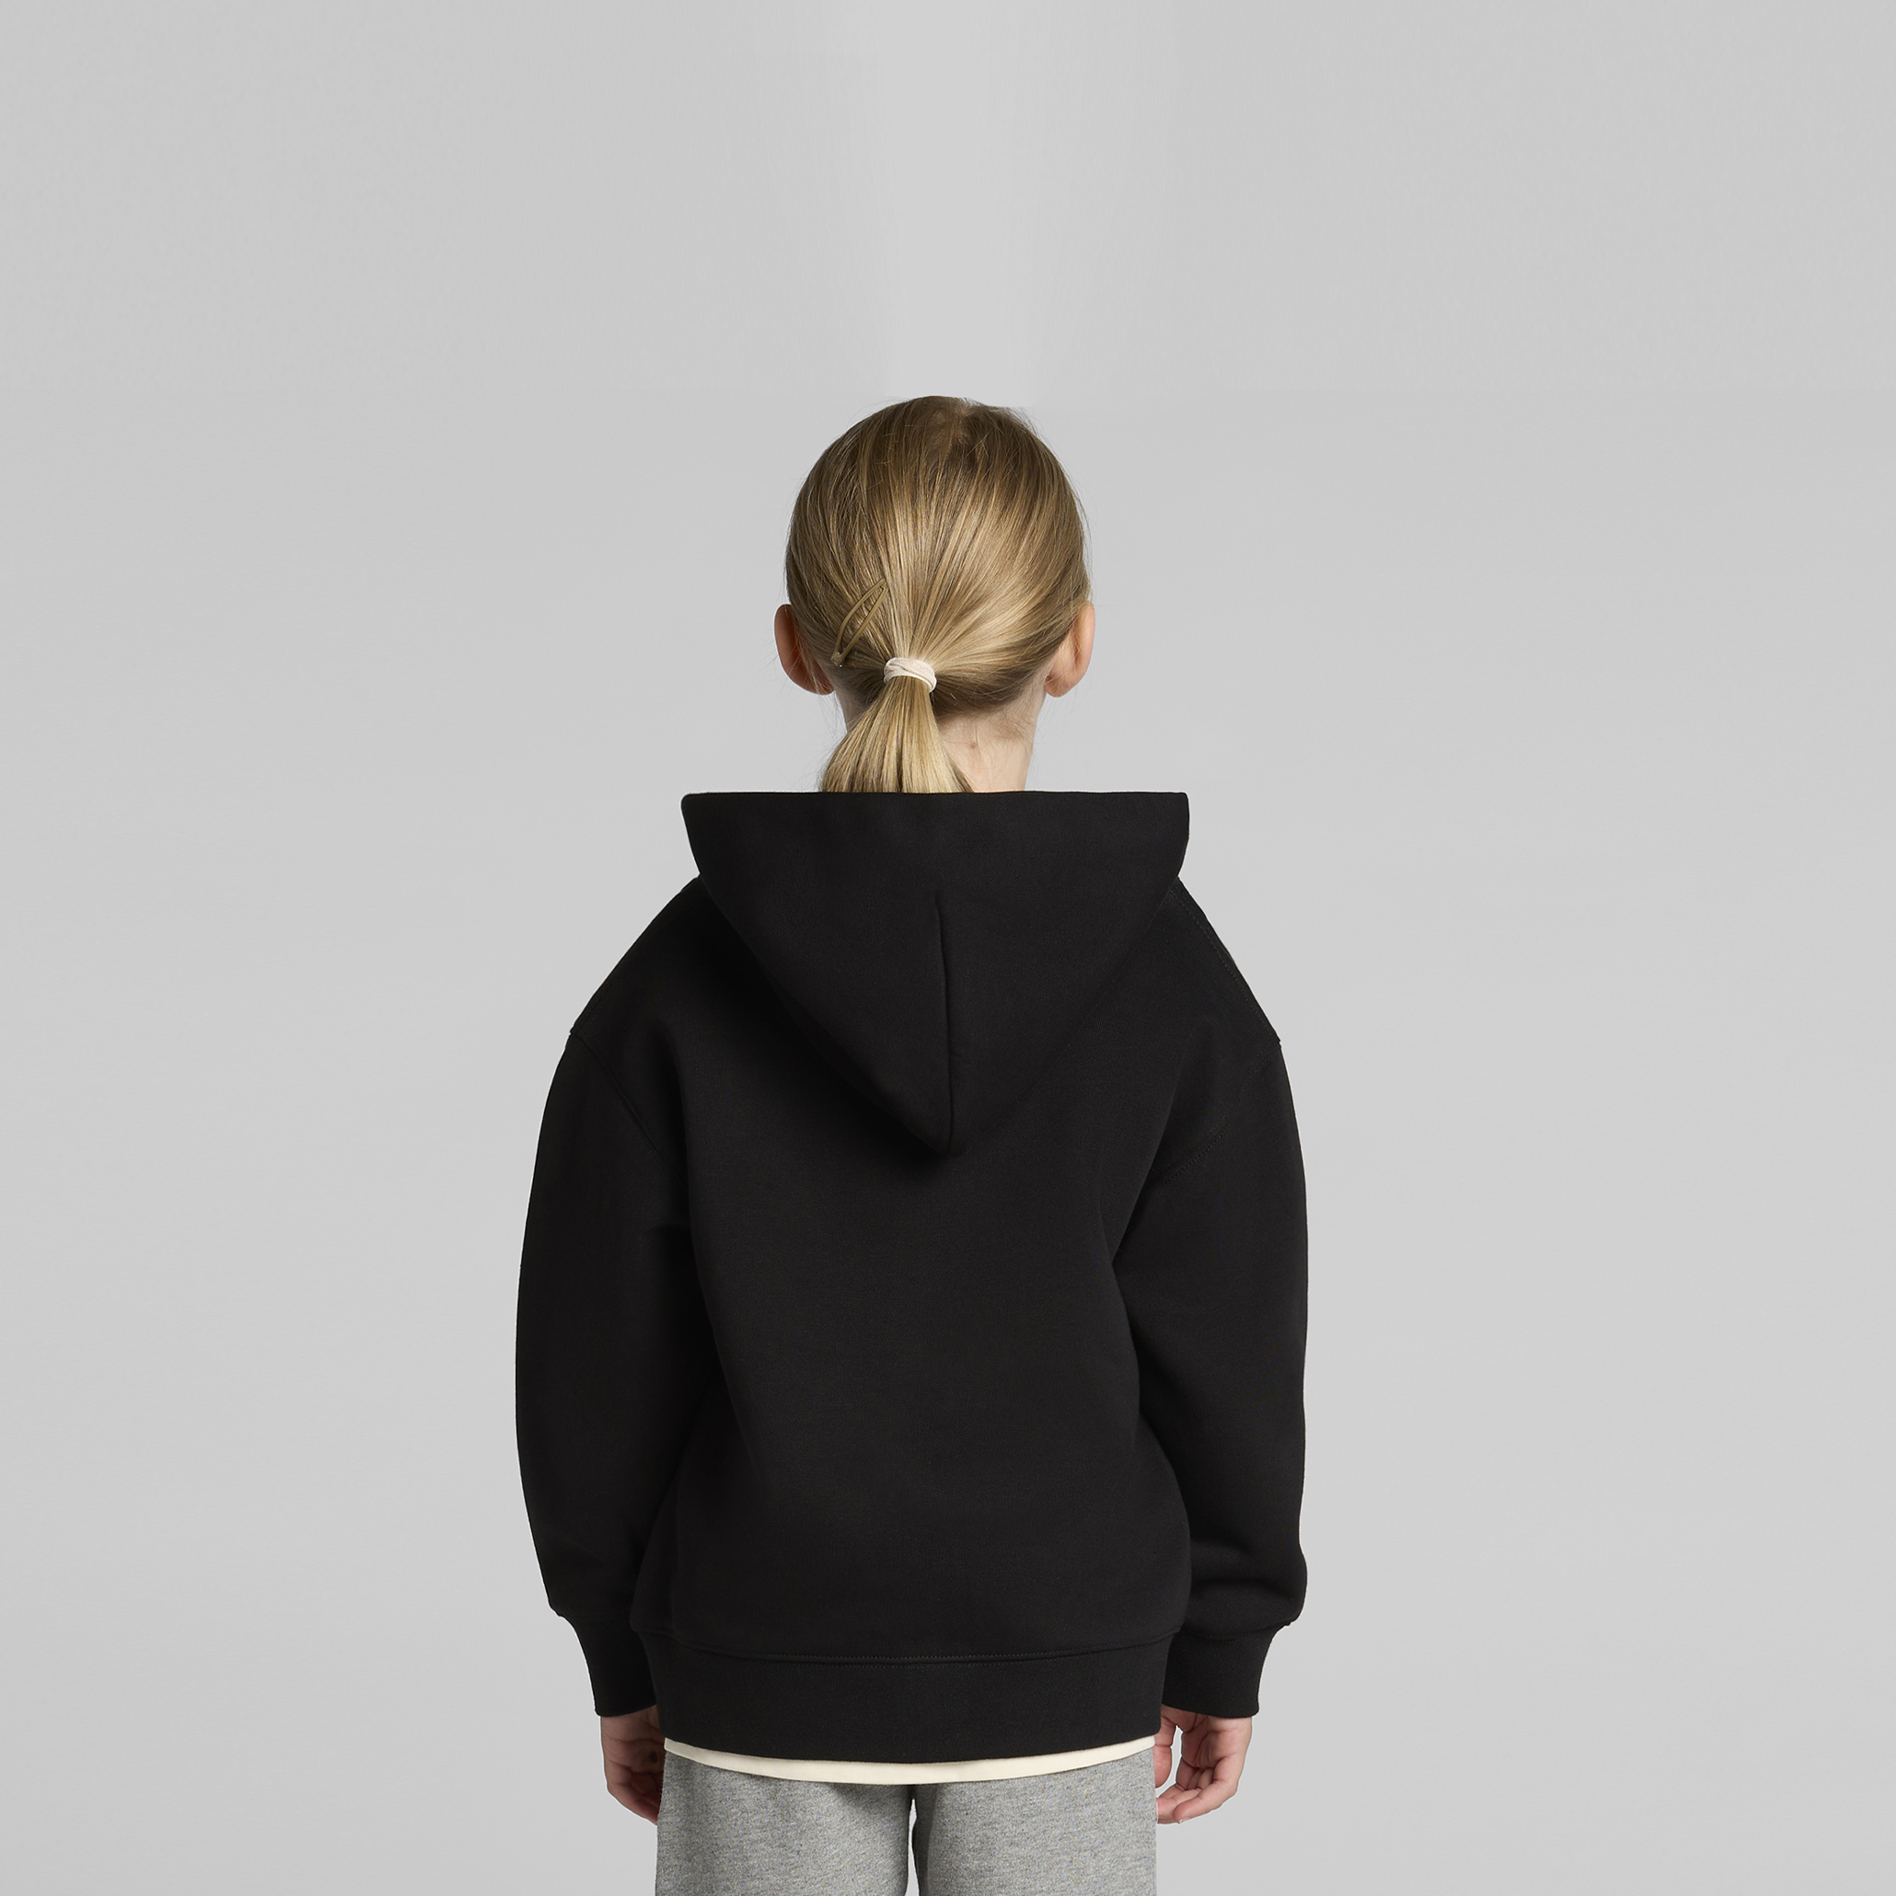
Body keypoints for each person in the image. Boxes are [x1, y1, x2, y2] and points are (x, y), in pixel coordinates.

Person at [515, 395, 1309, 1895]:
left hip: (758, 1655)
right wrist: (1225, 1636)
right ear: (1073, 643)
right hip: (1067, 1657)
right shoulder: (1175, 983)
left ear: (798, 645)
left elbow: (592, 1363)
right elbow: (1233, 1350)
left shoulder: (671, 990)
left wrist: (621, 1646)